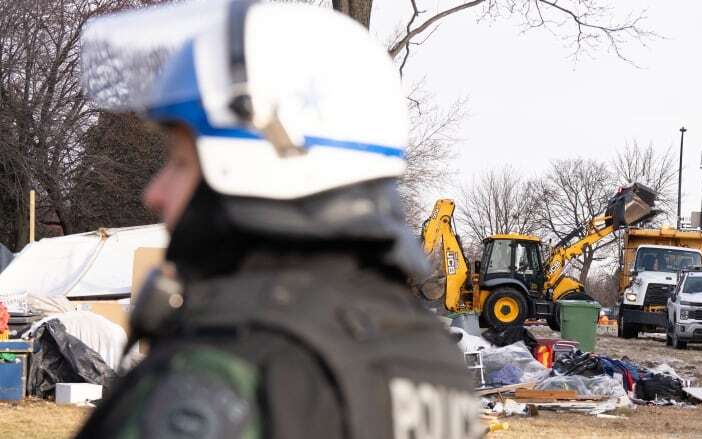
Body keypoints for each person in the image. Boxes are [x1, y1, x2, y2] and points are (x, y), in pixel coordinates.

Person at [75, 2, 480, 438]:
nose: (153, 193)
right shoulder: (432, 362)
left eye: (178, 162)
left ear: (257, 166)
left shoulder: (227, 372)